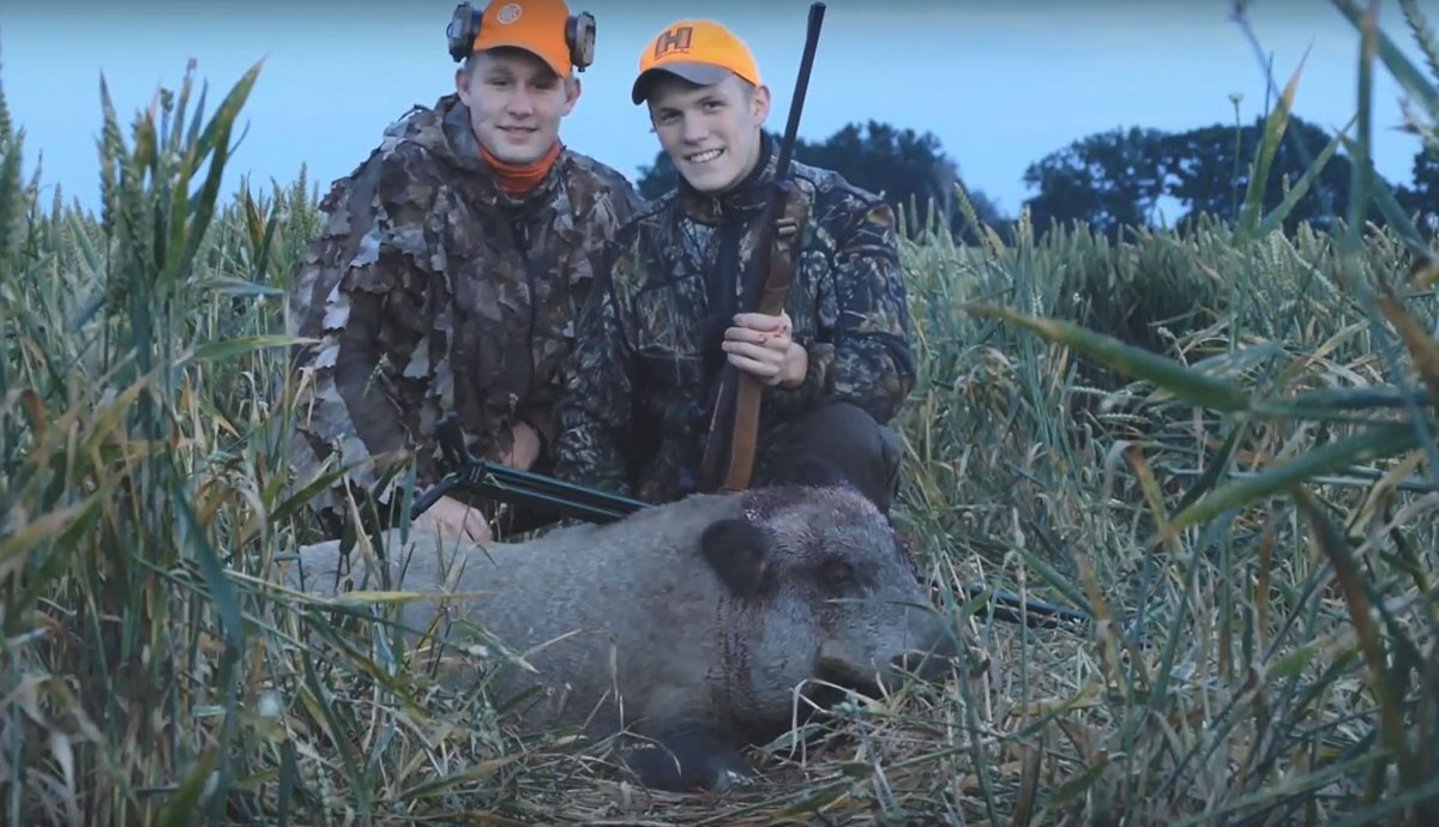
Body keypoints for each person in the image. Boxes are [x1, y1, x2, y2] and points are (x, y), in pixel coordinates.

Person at [286, 0, 644, 544]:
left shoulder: (605, 201)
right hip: (408, 493)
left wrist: (537, 432)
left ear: (570, 96)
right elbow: (318, 358)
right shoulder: (394, 186)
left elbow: (616, 362)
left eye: (541, 85)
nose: (520, 106)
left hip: (543, 486)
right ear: (465, 85)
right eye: (500, 82)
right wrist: (411, 494)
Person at [553, 18, 915, 514]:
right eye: (670, 115)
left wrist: (799, 367)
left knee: (848, 434)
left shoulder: (845, 215)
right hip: (669, 516)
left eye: (711, 105)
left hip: (803, 503)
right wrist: (604, 531)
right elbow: (591, 411)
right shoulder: (638, 244)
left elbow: (889, 372)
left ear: (758, 105)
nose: (693, 133)